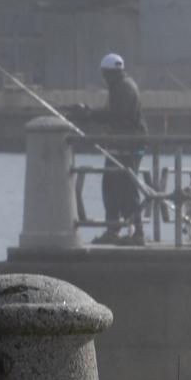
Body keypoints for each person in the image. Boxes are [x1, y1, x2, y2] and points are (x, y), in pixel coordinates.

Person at [82, 52, 146, 245]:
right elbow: (113, 114)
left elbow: (114, 114)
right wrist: (88, 113)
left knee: (126, 190)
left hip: (128, 146)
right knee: (111, 187)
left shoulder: (123, 88)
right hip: (120, 146)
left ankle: (136, 233)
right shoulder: (121, 86)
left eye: (104, 74)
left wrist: (89, 114)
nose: (103, 78)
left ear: (111, 73)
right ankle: (114, 230)